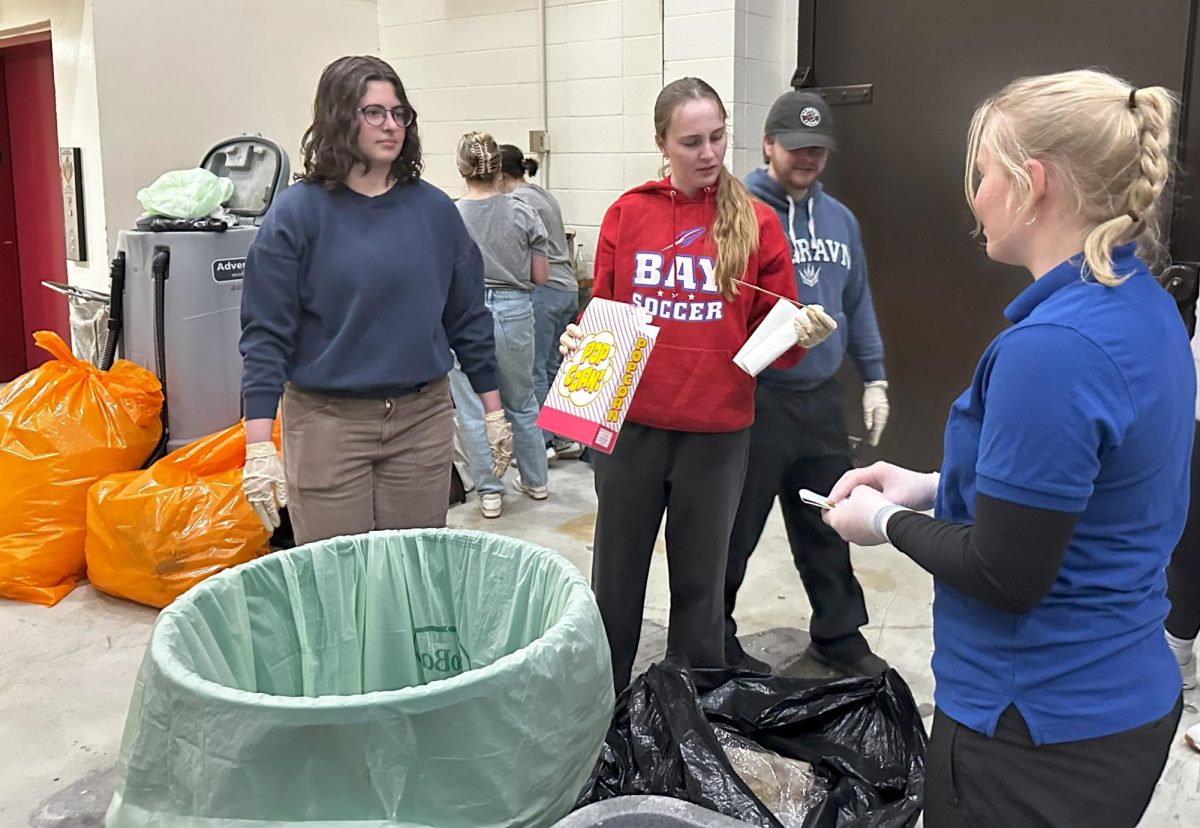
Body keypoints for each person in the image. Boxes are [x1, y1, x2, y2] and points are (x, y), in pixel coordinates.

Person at [823, 70, 1193, 827]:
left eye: (985, 174)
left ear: (1033, 184)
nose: (976, 195)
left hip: (1033, 731)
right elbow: (1078, 492)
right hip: (1118, 701)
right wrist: (928, 485)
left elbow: (1005, 570)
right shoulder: (1141, 307)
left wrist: (880, 523)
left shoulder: (1053, 350)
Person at [560, 77, 839, 693]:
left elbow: (771, 341)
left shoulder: (757, 223)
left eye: (717, 137)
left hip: (716, 433)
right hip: (632, 426)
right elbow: (604, 311)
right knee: (615, 579)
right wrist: (579, 338)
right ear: (662, 142)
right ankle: (598, 704)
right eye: (691, 142)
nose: (708, 153)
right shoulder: (628, 215)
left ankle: (695, 711)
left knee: (701, 586)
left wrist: (797, 336)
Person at [238, 56, 511, 544]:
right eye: (374, 112)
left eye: (399, 112)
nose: (392, 125)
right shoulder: (296, 215)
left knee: (413, 569)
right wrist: (258, 445)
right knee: (339, 575)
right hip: (327, 420)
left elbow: (467, 318)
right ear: (339, 118)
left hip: (421, 418)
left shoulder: (434, 212)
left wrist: (493, 410)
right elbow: (265, 335)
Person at [723, 90, 890, 677]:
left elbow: (857, 301)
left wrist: (875, 378)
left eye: (818, 148)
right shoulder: (736, 210)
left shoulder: (841, 219)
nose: (808, 158)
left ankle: (839, 636)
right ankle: (713, 637)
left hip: (820, 401)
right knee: (734, 527)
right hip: (755, 397)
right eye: (795, 146)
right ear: (768, 143)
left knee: (827, 521)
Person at [447, 132, 551, 519]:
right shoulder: (524, 212)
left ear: (462, 169)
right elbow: (540, 276)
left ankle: (491, 493)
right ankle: (537, 480)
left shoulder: (451, 215)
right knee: (521, 401)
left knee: (474, 408)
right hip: (514, 311)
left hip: (464, 314)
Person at [497, 144, 585, 464]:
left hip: (544, 291)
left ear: (499, 174)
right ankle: (565, 438)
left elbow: (516, 252)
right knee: (555, 369)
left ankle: (543, 444)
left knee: (532, 369)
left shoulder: (515, 202)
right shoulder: (541, 194)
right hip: (567, 288)